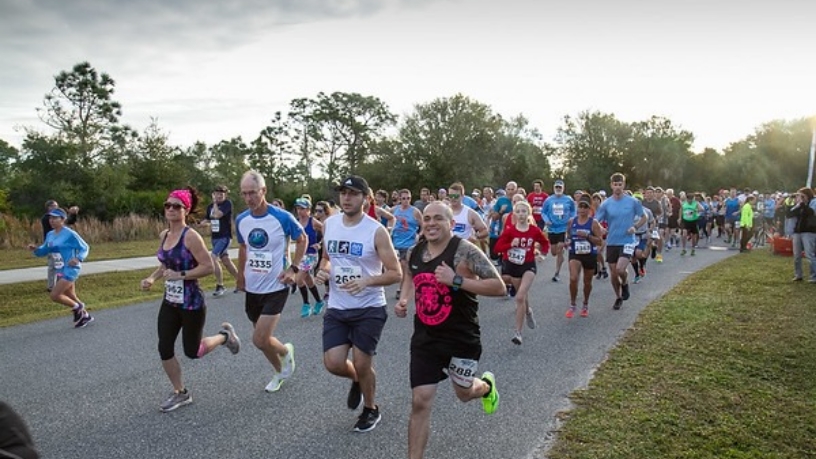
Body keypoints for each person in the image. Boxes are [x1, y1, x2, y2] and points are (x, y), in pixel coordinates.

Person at [394, 202, 505, 459]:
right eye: (427, 219)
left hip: (461, 338)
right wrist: (404, 299)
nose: (431, 224)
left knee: (464, 393)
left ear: (451, 224)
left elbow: (498, 287)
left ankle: (486, 388)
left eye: (438, 219)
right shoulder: (414, 252)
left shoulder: (466, 252)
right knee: (420, 401)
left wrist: (457, 280)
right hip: (425, 338)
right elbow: (410, 276)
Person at [139, 187, 241, 412]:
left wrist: (181, 275)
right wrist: (152, 278)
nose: (171, 209)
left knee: (192, 352)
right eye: (168, 205)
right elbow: (165, 264)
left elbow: (208, 266)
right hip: (170, 301)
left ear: (186, 210)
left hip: (192, 302)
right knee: (164, 347)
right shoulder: (164, 235)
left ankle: (224, 337)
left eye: (177, 206)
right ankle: (180, 392)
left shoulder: (191, 237)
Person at [314, 175, 402, 433]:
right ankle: (358, 379)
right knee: (333, 362)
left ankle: (371, 408)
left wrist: (367, 281)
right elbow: (328, 258)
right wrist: (324, 270)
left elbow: (396, 273)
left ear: (366, 198)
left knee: (363, 363)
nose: (347, 198)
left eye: (353, 193)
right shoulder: (330, 224)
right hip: (338, 307)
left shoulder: (376, 230)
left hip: (369, 308)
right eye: (343, 193)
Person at [236, 171, 306, 393]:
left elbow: (302, 238)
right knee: (262, 339)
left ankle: (284, 357)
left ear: (263, 191)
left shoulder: (282, 217)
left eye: (253, 193)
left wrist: (293, 268)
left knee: (259, 339)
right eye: (244, 194)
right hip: (253, 286)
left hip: (276, 285)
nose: (249, 199)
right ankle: (280, 367)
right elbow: (244, 247)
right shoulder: (241, 220)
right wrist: (240, 276)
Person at [494, 201, 550, 345]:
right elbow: (497, 248)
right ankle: (528, 311)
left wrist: (542, 254)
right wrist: (510, 245)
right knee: (522, 294)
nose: (521, 214)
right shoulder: (510, 231)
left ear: (528, 214)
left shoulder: (534, 230)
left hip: (528, 266)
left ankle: (517, 333)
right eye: (518, 212)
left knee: (519, 297)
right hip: (513, 267)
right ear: (514, 214)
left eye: (524, 211)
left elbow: (545, 242)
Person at [28, 207, 93, 328]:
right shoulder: (50, 234)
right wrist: (36, 250)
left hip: (71, 268)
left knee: (55, 295)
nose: (51, 220)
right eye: (50, 218)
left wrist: (78, 258)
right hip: (59, 269)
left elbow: (85, 247)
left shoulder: (69, 233)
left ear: (63, 219)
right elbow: (45, 250)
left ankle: (78, 308)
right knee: (70, 296)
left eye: (55, 218)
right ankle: (85, 316)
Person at [594, 173, 646, 311]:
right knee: (613, 273)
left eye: (620, 184)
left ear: (624, 185)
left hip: (627, 241)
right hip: (612, 241)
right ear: (611, 185)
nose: (617, 187)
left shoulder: (632, 202)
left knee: (620, 269)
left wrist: (635, 227)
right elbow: (596, 220)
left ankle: (625, 284)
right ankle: (618, 297)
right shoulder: (606, 204)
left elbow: (644, 217)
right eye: (615, 184)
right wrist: (601, 229)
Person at [565, 198, 604, 318]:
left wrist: (588, 236)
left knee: (587, 282)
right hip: (575, 253)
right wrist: (567, 242)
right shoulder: (572, 221)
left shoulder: (593, 223)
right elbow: (568, 236)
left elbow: (599, 241)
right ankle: (572, 304)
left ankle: (585, 304)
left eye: (584, 207)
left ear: (589, 209)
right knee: (573, 278)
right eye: (580, 207)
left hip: (589, 254)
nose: (582, 209)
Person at [202, 185, 239, 296]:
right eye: (217, 193)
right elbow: (208, 219)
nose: (219, 196)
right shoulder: (210, 207)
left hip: (224, 237)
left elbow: (217, 215)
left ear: (225, 195)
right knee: (226, 261)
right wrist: (202, 223)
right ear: (213, 194)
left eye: (221, 194)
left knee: (213, 258)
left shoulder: (227, 204)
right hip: (215, 237)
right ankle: (241, 282)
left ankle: (220, 285)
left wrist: (215, 203)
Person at [293, 197, 326, 317]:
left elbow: (326, 230)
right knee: (308, 280)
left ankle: (306, 304)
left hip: (311, 255)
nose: (299, 211)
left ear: (308, 210)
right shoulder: (296, 222)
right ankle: (319, 301)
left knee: (298, 279)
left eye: (302, 208)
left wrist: (320, 243)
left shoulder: (313, 221)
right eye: (298, 208)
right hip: (301, 255)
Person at [391, 188, 423, 300]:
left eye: (408, 198)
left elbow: (423, 225)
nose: (406, 201)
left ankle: (400, 289)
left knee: (404, 267)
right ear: (399, 199)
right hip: (395, 244)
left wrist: (419, 235)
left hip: (408, 244)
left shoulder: (415, 211)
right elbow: (386, 221)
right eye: (403, 198)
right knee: (396, 267)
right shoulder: (394, 210)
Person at [541, 179, 576, 282]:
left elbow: (573, 211)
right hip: (552, 228)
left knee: (559, 248)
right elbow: (543, 212)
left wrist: (571, 218)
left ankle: (557, 273)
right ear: (554, 188)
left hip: (563, 227)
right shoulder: (548, 200)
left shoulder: (568, 200)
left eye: (560, 187)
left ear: (563, 188)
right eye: (556, 187)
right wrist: (546, 220)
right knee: (553, 252)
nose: (558, 189)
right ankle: (560, 254)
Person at [40, 200, 79, 291]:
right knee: (52, 266)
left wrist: (74, 214)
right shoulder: (46, 218)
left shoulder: (58, 218)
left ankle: (60, 284)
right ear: (48, 208)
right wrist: (69, 213)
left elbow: (70, 222)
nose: (56, 208)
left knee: (61, 265)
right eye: (53, 206)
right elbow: (62, 223)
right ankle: (51, 286)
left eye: (57, 206)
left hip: (63, 245)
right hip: (52, 245)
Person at [789, 187, 816, 282]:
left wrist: (803, 204)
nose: (799, 197)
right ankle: (798, 275)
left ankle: (814, 276)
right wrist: (796, 203)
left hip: (809, 231)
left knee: (810, 254)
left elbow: (811, 212)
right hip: (797, 231)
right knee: (796, 255)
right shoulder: (799, 205)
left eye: (801, 195)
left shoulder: (813, 202)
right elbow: (790, 214)